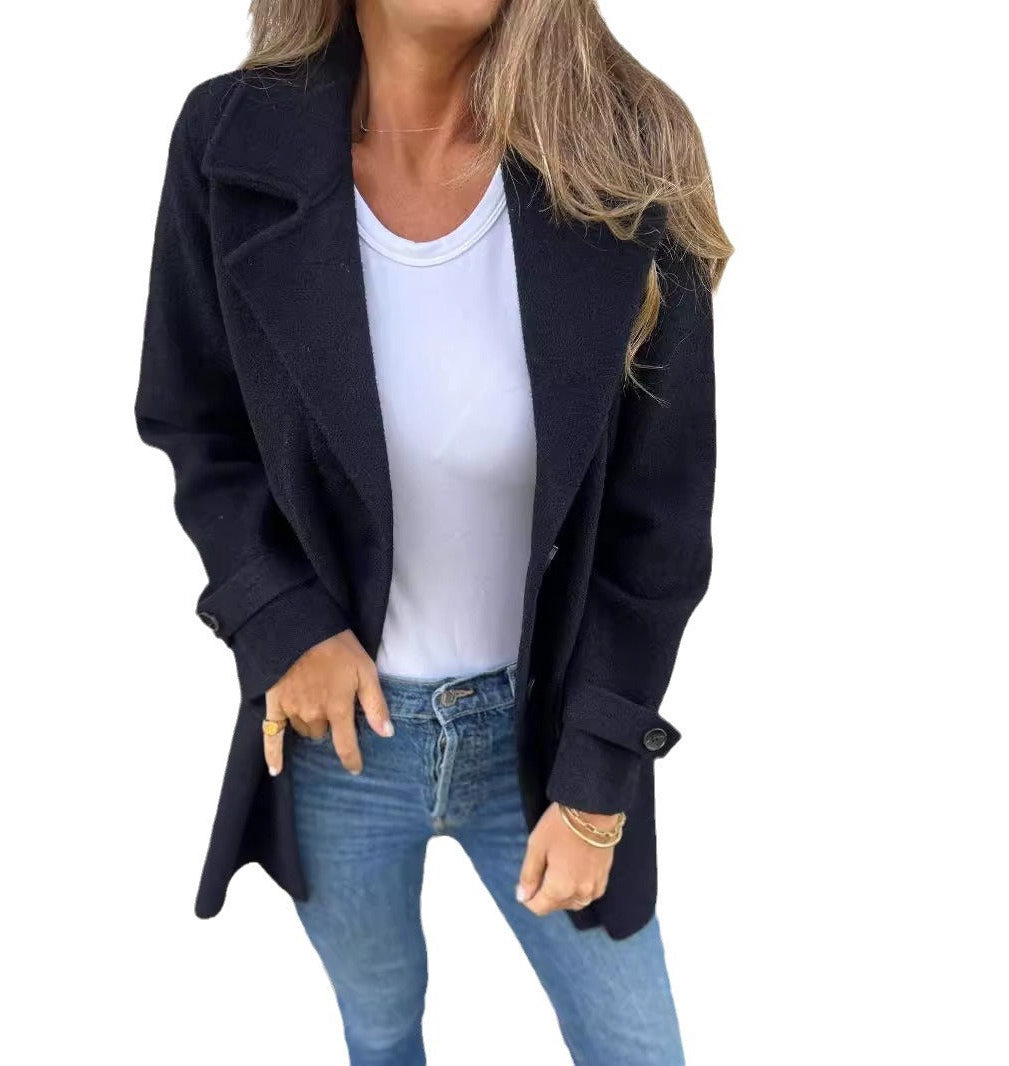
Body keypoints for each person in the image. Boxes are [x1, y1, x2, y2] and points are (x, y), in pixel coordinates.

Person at [135, 1, 730, 1061]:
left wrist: (596, 785)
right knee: (380, 1029)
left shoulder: (629, 154)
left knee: (637, 1045)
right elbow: (196, 418)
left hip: (542, 737)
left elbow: (660, 524)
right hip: (338, 741)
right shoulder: (229, 141)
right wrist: (280, 621)